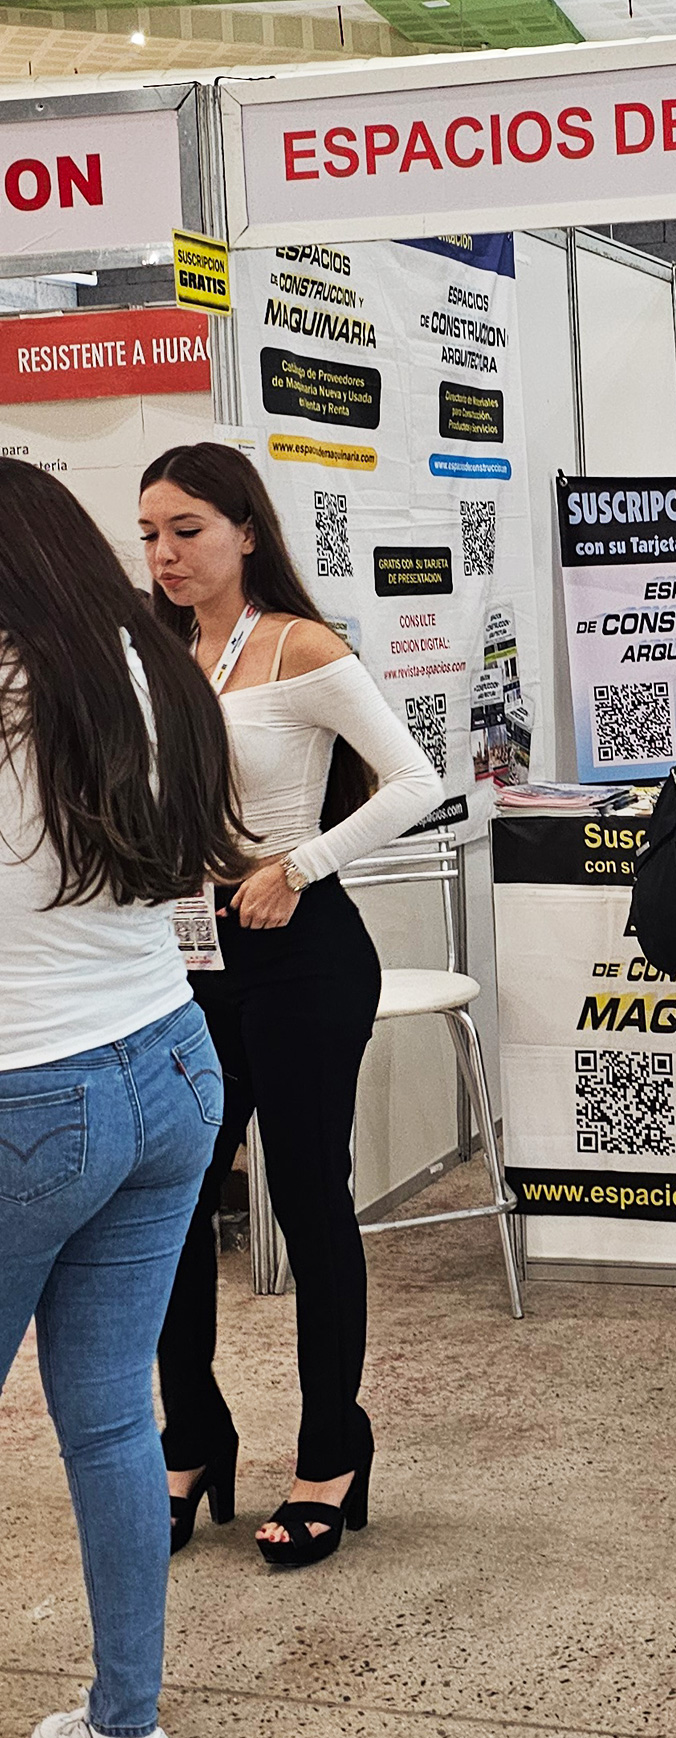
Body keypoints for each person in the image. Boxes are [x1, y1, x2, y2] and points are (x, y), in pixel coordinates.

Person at [139, 443, 443, 1569]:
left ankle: (330, 1453)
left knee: (311, 1200)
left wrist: (298, 866)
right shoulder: (156, 652)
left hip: (302, 952)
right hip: (184, 956)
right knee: (170, 1205)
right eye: (151, 534)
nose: (166, 554)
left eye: (187, 530)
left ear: (246, 532)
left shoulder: (300, 646)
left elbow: (415, 781)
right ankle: (192, 1439)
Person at [0, 460, 247, 1738]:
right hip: (168, 1064)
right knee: (106, 1414)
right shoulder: (147, 672)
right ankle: (126, 1736)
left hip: (28, 1095)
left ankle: (126, 1735)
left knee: (102, 1411)